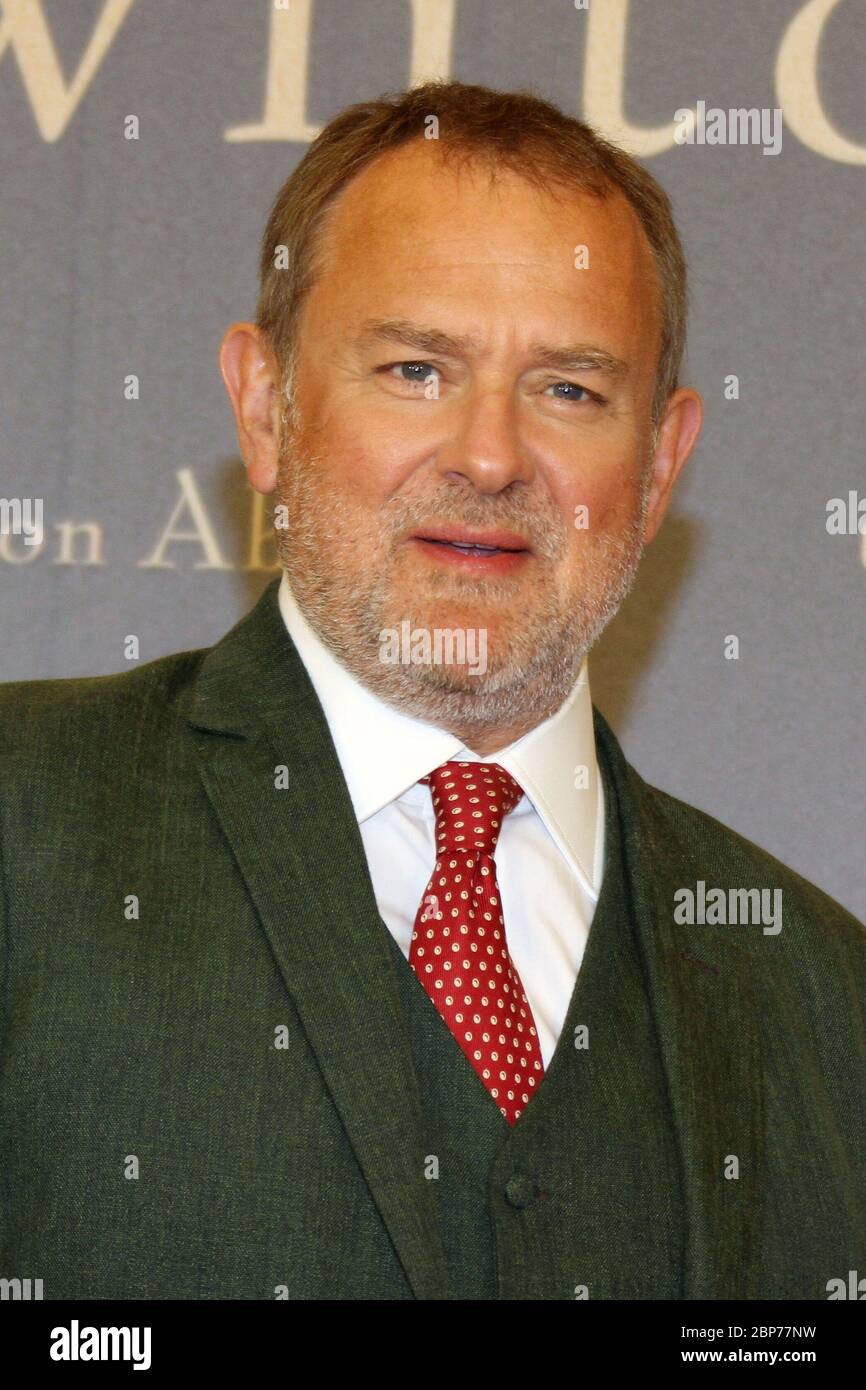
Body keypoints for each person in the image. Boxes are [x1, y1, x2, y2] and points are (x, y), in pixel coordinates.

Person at [1, 80, 864, 1302]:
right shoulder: (22, 824)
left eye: (570, 388)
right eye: (415, 368)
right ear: (265, 408)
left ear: (660, 463)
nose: (490, 454)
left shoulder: (825, 1003)